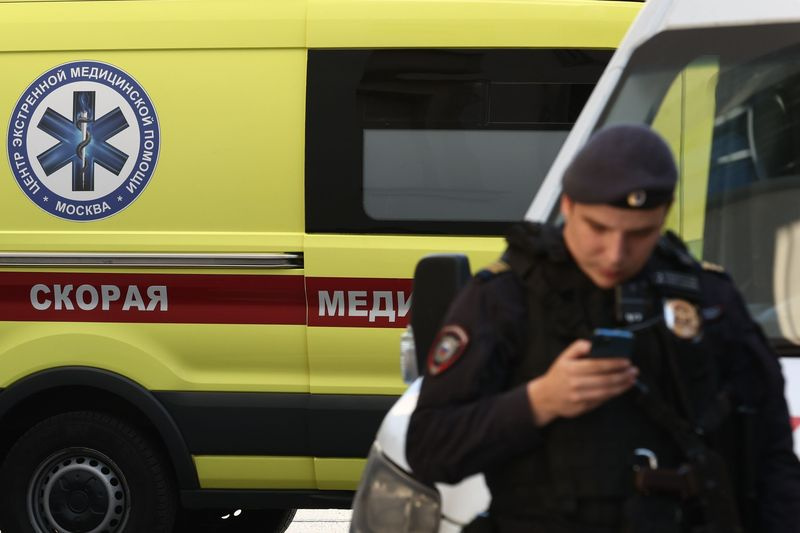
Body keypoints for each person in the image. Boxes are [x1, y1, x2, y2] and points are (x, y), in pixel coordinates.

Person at [406, 124, 800, 533]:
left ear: (665, 214)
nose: (615, 253)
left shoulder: (706, 297)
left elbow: (773, 456)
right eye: (598, 229)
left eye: (639, 234)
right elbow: (429, 449)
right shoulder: (505, 298)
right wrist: (539, 401)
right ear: (568, 205)